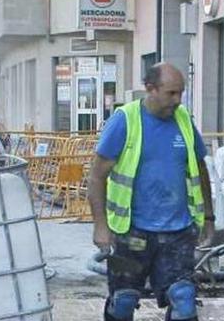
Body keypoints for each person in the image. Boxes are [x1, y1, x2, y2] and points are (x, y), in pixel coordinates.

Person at [88, 63, 215, 321]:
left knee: (184, 300)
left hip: (178, 232)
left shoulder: (185, 122)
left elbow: (201, 171)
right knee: (123, 302)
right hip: (131, 232)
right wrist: (100, 226)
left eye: (181, 93)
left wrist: (209, 218)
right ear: (150, 89)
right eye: (171, 93)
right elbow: (96, 176)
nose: (178, 101)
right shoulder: (125, 121)